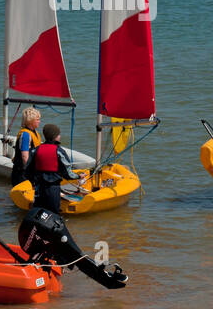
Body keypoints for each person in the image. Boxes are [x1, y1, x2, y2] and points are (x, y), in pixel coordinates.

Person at [16, 123, 127, 290]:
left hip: (38, 191)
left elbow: (27, 171)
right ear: (56, 136)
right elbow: (67, 172)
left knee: (41, 223)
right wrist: (79, 176)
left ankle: (48, 254)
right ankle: (61, 256)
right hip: (53, 191)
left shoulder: (36, 150)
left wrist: (36, 180)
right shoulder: (59, 151)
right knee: (54, 222)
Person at [9, 107, 42, 186]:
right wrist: (31, 172)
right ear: (30, 121)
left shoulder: (35, 133)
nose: (39, 121)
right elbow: (25, 157)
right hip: (23, 173)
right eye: (37, 119)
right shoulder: (26, 135)